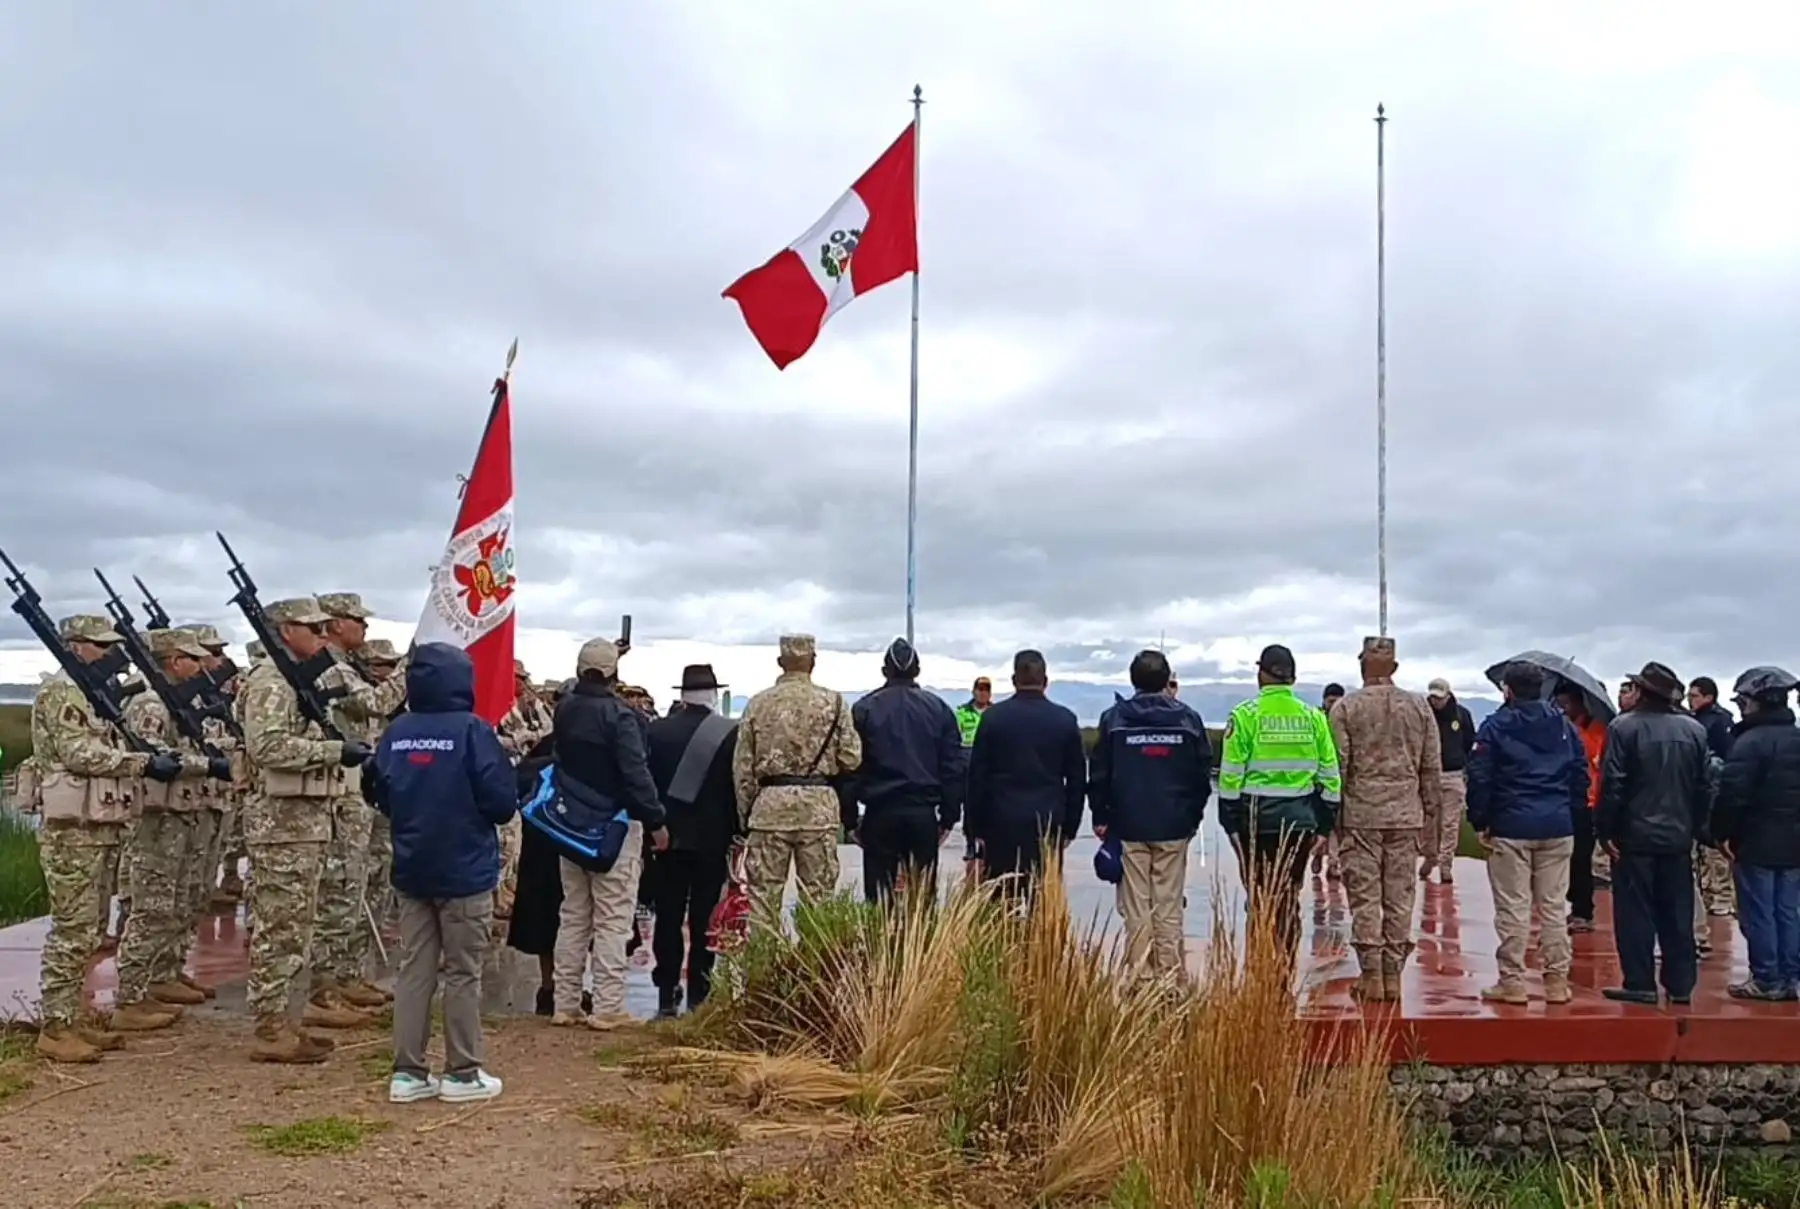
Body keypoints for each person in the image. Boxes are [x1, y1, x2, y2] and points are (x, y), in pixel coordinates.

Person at [364, 642, 515, 1103]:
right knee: (464, 972)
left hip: (411, 868)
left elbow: (377, 790)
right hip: (465, 870)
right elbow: (501, 803)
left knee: (414, 970)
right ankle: (462, 1073)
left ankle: (407, 1073)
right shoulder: (473, 732)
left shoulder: (397, 732)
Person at [239, 597, 374, 1062]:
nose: (321, 636)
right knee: (280, 929)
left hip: (303, 822)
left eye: (323, 628)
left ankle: (285, 1021)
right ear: (283, 631)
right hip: (281, 826)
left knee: (297, 927)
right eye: (311, 628)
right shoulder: (272, 683)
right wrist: (336, 753)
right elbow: (268, 747)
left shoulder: (296, 681)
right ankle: (270, 1028)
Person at [31, 615, 171, 1063]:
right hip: (72, 830)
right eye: (99, 645)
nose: (108, 653)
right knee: (72, 930)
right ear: (74, 646)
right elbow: (78, 753)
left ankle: (72, 1019)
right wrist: (141, 763)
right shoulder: (62, 690)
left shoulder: (89, 691)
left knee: (90, 929)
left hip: (98, 825)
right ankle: (55, 1027)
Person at [550, 638, 669, 1029]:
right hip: (613, 827)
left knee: (574, 915)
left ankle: (564, 1002)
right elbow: (636, 774)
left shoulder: (564, 710)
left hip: (568, 825)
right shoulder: (621, 717)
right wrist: (656, 820)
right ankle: (607, 1006)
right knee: (613, 918)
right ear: (614, 674)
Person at [116, 628, 227, 1021]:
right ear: (173, 661)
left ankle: (164, 973)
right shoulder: (150, 702)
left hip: (185, 811)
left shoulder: (180, 699)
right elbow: (150, 755)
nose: (203, 666)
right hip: (157, 817)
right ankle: (130, 996)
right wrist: (207, 764)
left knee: (185, 898)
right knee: (153, 905)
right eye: (194, 659)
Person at [1466, 662, 1589, 1005]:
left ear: (1508, 689)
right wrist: (1572, 814)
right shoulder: (1564, 727)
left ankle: (1513, 981)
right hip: (1557, 824)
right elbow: (1579, 774)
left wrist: (1480, 820)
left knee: (1513, 907)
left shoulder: (1496, 726)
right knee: (1553, 907)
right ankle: (1556, 981)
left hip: (1511, 825)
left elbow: (1480, 776)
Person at [311, 592, 409, 1015]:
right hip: (342, 789)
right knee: (343, 886)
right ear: (335, 624)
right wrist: (408, 670)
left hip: (362, 786)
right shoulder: (328, 668)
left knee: (365, 882)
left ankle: (349, 973)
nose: (364, 629)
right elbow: (373, 704)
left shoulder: (347, 666)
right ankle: (325, 985)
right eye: (357, 621)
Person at [1088, 650, 1212, 975]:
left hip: (1128, 825)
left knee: (1136, 906)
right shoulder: (1188, 719)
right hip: (1173, 826)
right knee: (1168, 904)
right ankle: (1169, 976)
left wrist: (1100, 817)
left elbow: (1099, 773)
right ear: (1166, 679)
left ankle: (1141, 978)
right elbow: (1202, 776)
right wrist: (1192, 818)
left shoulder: (1113, 719)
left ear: (1133, 680)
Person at [1331, 636, 1441, 1003]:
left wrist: (1335, 819)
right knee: (1399, 896)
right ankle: (1393, 974)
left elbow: (1339, 769)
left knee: (1365, 897)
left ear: (1362, 666)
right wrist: (1432, 827)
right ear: (1394, 668)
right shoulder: (1419, 708)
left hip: (1361, 815)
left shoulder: (1346, 708)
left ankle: (1371, 975)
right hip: (1406, 815)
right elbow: (1431, 769)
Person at [1595, 661, 1711, 1006]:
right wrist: (1697, 826)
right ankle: (1680, 985)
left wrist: (1606, 830)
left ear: (1642, 691)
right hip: (1678, 835)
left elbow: (1612, 784)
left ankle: (1640, 981)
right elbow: (1705, 786)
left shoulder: (1623, 728)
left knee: (1634, 912)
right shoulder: (1693, 730)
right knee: (1677, 912)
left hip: (1634, 836)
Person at [1216, 644, 1340, 960]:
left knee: (1259, 898)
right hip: (1300, 822)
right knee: (1289, 896)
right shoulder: (1313, 718)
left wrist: (1230, 821)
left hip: (1256, 822)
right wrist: (1325, 825)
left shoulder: (1245, 716)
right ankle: (1283, 969)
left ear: (1262, 674)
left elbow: (1230, 776)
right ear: (1292, 678)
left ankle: (1261, 971)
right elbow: (1330, 776)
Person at [732, 634, 862, 927]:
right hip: (818, 809)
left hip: (769, 810)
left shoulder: (758, 704)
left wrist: (745, 814)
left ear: (780, 663)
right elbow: (852, 757)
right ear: (813, 663)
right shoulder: (835, 702)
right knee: (819, 903)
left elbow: (743, 768)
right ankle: (813, 970)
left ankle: (762, 969)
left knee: (762, 904)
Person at [645, 664, 740, 1016]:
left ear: (681, 694)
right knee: (704, 918)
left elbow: (647, 784)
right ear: (714, 694)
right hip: (712, 840)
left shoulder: (657, 731)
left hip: (666, 838)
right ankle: (700, 990)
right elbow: (737, 790)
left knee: (668, 916)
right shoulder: (731, 733)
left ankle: (666, 988)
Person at [849, 638, 965, 904]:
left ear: (884, 670)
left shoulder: (864, 709)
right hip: (922, 816)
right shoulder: (939, 710)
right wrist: (948, 818)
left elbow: (850, 769)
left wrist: (850, 819)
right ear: (917, 671)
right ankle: (922, 945)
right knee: (922, 900)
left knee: (878, 900)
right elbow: (952, 769)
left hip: (880, 814)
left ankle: (881, 944)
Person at [963, 649, 1086, 896]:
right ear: (1046, 681)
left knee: (1000, 902)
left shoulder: (993, 719)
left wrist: (973, 828)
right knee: (1043, 899)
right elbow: (1077, 781)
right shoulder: (1065, 720)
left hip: (1000, 823)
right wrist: (1070, 827)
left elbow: (977, 778)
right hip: (1047, 824)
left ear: (1013, 680)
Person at [1710, 667, 1800, 1000]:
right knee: (1788, 911)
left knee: (1759, 912)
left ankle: (1766, 978)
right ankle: (1790, 977)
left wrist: (1719, 833)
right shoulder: (1796, 738)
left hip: (1756, 840)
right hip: (1792, 841)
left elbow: (1732, 795)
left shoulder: (1749, 743)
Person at [507, 680, 576, 1016]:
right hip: (572, 841)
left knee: (547, 917)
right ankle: (563, 987)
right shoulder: (577, 747)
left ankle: (551, 986)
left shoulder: (544, 745)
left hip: (543, 840)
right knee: (572, 915)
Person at [1553, 679, 1609, 935]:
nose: (1563, 708)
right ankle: (1572, 903)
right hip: (1564, 799)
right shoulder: (1564, 727)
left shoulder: (1595, 729)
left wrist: (1574, 738)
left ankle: (1583, 911)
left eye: (1566, 703)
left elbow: (1595, 758)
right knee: (1563, 856)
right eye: (1559, 703)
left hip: (1589, 801)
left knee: (1581, 858)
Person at [1686, 676, 1738, 918]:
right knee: (1701, 853)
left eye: (1694, 695)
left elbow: (1727, 757)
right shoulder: (1692, 720)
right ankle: (1708, 893)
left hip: (1714, 789)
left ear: (1708, 697)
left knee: (1715, 850)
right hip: (1698, 789)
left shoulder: (1719, 721)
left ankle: (1722, 896)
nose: (1690, 700)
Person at [1422, 678, 1476, 886]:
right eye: (1433, 697)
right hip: (1429, 775)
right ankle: (1430, 856)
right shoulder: (1424, 714)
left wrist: (1462, 763)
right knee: (1429, 823)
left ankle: (1446, 864)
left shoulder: (1462, 715)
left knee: (1450, 824)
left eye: (1440, 697)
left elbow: (1469, 741)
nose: (1436, 701)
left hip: (1453, 774)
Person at [1311, 684, 1348, 880]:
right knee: (1320, 823)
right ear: (1324, 700)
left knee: (1337, 824)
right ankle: (1317, 853)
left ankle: (1333, 863)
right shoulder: (1317, 719)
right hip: (1319, 778)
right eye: (1331, 700)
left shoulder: (1348, 719)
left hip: (1340, 777)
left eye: (1338, 701)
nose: (1334, 705)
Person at [954, 677, 992, 748]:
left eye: (986, 690)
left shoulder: (995, 713)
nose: (983, 693)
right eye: (980, 689)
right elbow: (954, 737)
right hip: (967, 752)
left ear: (990, 694)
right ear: (973, 692)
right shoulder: (962, 713)